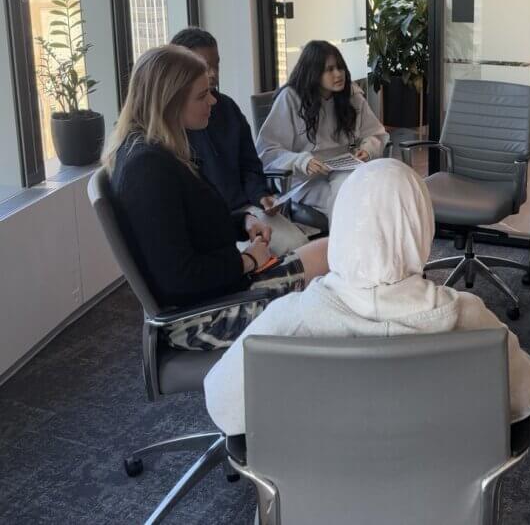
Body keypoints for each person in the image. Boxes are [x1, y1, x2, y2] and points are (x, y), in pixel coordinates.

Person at [203, 158, 530, 440]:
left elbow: (224, 407)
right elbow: (523, 399)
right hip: (434, 498)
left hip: (317, 498)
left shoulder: (286, 322)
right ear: (422, 228)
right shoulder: (468, 318)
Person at [105, 45, 329, 350]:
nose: (212, 101)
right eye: (201, 95)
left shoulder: (153, 153)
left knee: (332, 251)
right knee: (334, 286)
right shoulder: (148, 169)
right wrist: (248, 261)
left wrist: (244, 222)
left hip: (221, 292)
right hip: (206, 317)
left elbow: (192, 226)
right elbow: (179, 277)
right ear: (170, 102)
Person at [170, 27, 308, 255]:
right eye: (205, 67)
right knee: (260, 260)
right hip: (211, 223)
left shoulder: (228, 109)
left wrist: (261, 196)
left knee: (299, 248)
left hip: (248, 210)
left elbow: (250, 165)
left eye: (217, 64)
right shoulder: (171, 130)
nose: (213, 73)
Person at [255, 41, 388, 221]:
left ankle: (356, 247)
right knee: (348, 204)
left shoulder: (351, 95)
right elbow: (267, 151)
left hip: (343, 168)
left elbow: (376, 133)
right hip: (304, 178)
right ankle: (344, 248)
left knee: (365, 196)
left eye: (340, 67)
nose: (338, 74)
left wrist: (368, 149)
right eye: (329, 69)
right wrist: (302, 161)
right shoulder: (291, 99)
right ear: (313, 72)